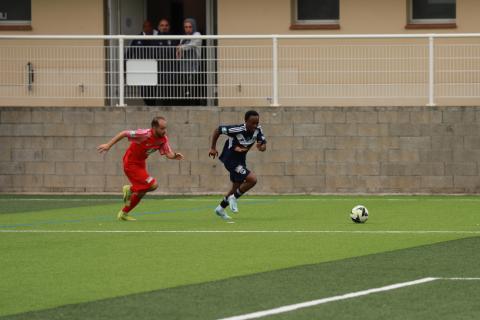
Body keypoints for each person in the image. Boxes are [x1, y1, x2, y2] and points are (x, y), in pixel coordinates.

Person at [97, 116, 184, 221]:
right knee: (153, 185)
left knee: (142, 191)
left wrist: (175, 156)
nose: (164, 131)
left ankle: (123, 213)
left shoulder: (163, 139)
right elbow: (124, 133)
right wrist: (108, 145)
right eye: (162, 128)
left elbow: (168, 153)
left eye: (165, 128)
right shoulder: (144, 134)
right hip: (130, 163)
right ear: (154, 127)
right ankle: (129, 189)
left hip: (141, 164)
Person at [208, 110, 267, 221]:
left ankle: (220, 208)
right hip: (230, 159)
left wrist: (261, 147)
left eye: (257, 123)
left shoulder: (258, 130)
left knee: (236, 186)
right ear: (246, 121)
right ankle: (234, 198)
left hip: (240, 161)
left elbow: (263, 146)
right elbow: (218, 130)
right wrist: (213, 147)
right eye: (252, 123)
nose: (255, 125)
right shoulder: (237, 129)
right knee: (252, 179)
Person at [125, 20, 158, 106]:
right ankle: (149, 105)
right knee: (144, 92)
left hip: (156, 68)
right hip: (143, 68)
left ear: (152, 27)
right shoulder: (137, 39)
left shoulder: (158, 36)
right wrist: (126, 66)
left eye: (149, 26)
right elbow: (128, 53)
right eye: (145, 26)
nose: (147, 28)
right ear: (143, 28)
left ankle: (153, 106)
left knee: (155, 90)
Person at [176, 18, 202, 105]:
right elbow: (179, 51)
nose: (188, 29)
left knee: (194, 87)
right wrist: (178, 54)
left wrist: (181, 47)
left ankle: (195, 104)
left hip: (194, 66)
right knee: (184, 87)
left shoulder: (197, 35)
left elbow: (191, 45)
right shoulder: (183, 37)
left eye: (190, 27)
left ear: (193, 27)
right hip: (183, 66)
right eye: (186, 27)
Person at [156, 18, 178, 106]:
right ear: (158, 27)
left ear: (169, 27)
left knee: (172, 92)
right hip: (159, 70)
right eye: (162, 25)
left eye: (166, 25)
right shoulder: (154, 39)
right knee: (160, 93)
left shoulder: (174, 38)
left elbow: (175, 53)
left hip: (172, 70)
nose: (164, 27)